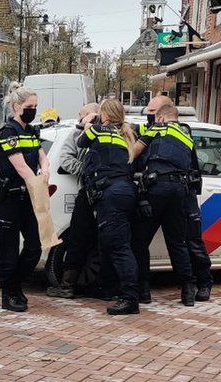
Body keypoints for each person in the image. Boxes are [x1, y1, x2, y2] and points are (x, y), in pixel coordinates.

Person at [140, 95, 213, 302]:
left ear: (163, 114)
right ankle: (186, 288)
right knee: (176, 242)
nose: (149, 118)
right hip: (169, 192)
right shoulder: (152, 131)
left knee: (191, 242)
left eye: (152, 113)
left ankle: (203, 283)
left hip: (183, 194)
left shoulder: (180, 131)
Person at [0, 83, 49, 313]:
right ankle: (9, 294)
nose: (33, 110)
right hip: (7, 198)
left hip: (26, 198)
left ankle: (15, 285)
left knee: (34, 246)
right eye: (29, 106)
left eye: (35, 106)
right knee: (8, 250)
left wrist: (46, 169)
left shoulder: (32, 132)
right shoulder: (7, 132)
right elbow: (21, 167)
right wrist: (37, 182)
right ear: (16, 107)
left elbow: (42, 157)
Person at [77, 98, 141, 315]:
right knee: (108, 243)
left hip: (111, 194)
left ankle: (130, 298)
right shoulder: (126, 134)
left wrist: (89, 124)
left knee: (119, 247)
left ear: (103, 114)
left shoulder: (97, 130)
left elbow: (81, 143)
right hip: (124, 191)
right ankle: (108, 288)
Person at [46, 102, 112, 300]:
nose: (82, 118)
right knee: (78, 239)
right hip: (89, 193)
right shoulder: (77, 134)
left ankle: (102, 286)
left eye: (85, 115)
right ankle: (67, 285)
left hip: (105, 195)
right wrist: (87, 172)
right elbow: (67, 158)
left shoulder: (114, 133)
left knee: (106, 241)